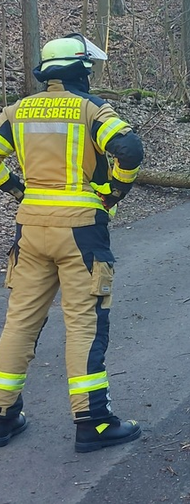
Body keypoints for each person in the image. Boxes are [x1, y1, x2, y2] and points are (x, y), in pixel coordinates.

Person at [0, 34, 144, 451]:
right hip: (81, 230)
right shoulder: (92, 110)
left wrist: (15, 189)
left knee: (20, 322)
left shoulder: (17, 112)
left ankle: (3, 416)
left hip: (30, 229)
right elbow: (129, 149)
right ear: (81, 70)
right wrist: (114, 192)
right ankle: (93, 422)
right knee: (83, 324)